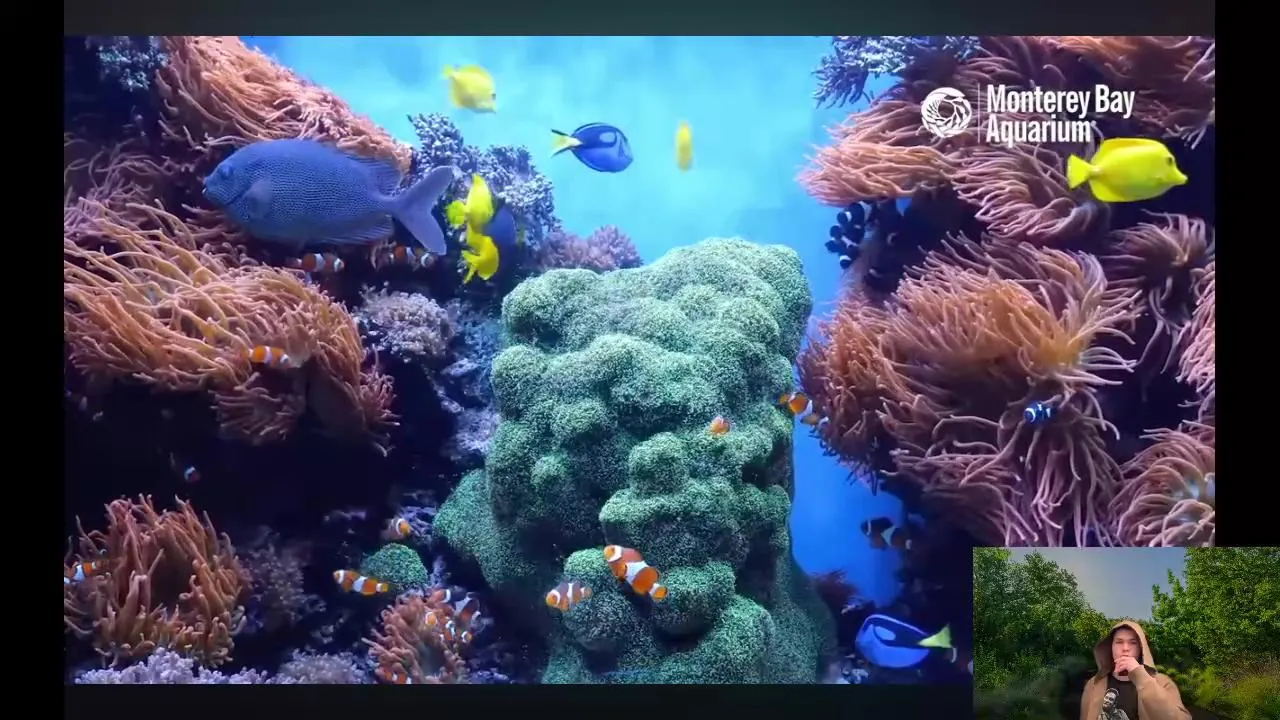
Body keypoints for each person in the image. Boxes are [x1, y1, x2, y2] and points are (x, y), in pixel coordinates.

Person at [1081, 620, 1191, 720]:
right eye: (1119, 642)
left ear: (1141, 649)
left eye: (1133, 643)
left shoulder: (1162, 683)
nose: (1125, 648)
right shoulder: (1094, 684)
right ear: (1111, 647)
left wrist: (1140, 676)